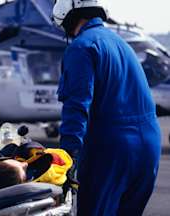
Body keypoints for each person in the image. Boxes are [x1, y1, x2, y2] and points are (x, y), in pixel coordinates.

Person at [52, 1, 161, 215]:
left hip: (112, 150)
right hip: (149, 148)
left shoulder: (82, 47)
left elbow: (77, 106)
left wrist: (67, 157)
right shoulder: (122, 44)